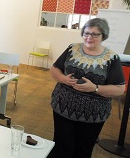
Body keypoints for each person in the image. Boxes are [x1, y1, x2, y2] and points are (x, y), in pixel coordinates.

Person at [48, 18, 125, 158]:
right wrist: (63, 79)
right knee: (61, 147)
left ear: (103, 36)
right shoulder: (72, 48)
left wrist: (95, 88)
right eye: (86, 33)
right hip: (62, 108)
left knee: (83, 150)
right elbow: (54, 69)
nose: (89, 37)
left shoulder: (111, 58)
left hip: (93, 116)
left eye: (95, 34)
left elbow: (119, 88)